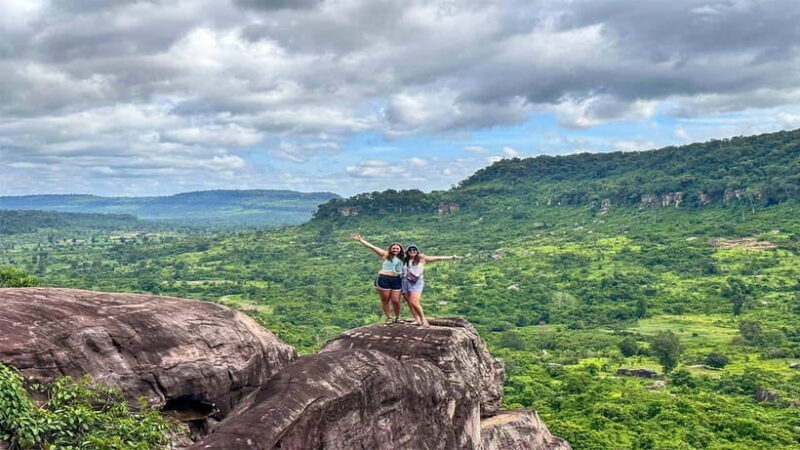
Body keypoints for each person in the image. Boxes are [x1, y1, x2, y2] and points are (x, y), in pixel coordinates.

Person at [401, 244, 461, 327]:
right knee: (409, 302)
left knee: (414, 302)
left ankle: (423, 320)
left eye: (414, 250)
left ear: (417, 252)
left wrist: (452, 257)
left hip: (416, 282)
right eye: (410, 250)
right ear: (407, 252)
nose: (412, 251)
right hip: (404, 281)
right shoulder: (404, 260)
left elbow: (438, 258)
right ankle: (417, 320)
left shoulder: (422, 259)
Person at [350, 233, 404, 323]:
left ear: (400, 250)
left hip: (397, 280)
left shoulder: (404, 258)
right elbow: (372, 247)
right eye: (393, 248)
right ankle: (389, 317)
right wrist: (360, 240)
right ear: (390, 249)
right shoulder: (385, 255)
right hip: (383, 279)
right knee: (385, 299)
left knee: (396, 300)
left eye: (397, 248)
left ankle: (398, 317)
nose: (395, 250)